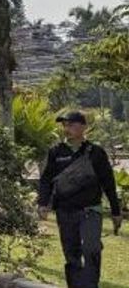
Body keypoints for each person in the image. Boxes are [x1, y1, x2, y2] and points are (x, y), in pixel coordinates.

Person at [37, 110, 122, 288]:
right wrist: (43, 203)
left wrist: (115, 211)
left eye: (71, 124)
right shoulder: (56, 152)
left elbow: (108, 182)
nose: (67, 128)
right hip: (65, 211)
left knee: (91, 248)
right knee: (71, 253)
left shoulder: (96, 153)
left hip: (90, 210)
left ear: (83, 127)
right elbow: (46, 180)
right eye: (64, 125)